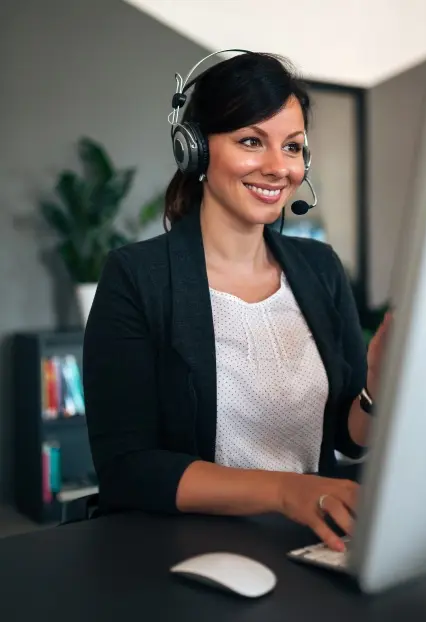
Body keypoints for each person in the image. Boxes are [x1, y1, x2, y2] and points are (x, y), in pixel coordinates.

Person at [83, 50, 392, 552]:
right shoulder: (136, 276)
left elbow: (344, 437)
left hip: (312, 543)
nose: (277, 168)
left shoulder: (320, 269)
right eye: (251, 141)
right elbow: (128, 467)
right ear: (196, 150)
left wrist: (377, 389)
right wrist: (287, 492)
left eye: (292, 148)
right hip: (184, 551)